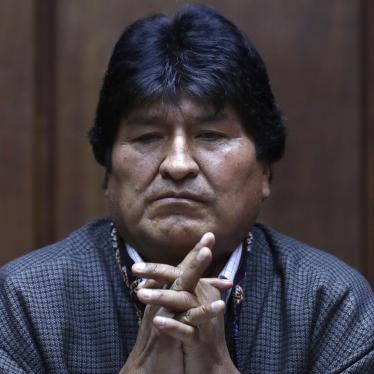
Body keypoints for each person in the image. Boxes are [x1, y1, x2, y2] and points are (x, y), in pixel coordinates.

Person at [1, 4, 373, 373]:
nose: (178, 165)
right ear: (107, 171)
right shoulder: (24, 303)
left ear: (265, 169)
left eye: (210, 136)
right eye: (147, 137)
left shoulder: (331, 304)